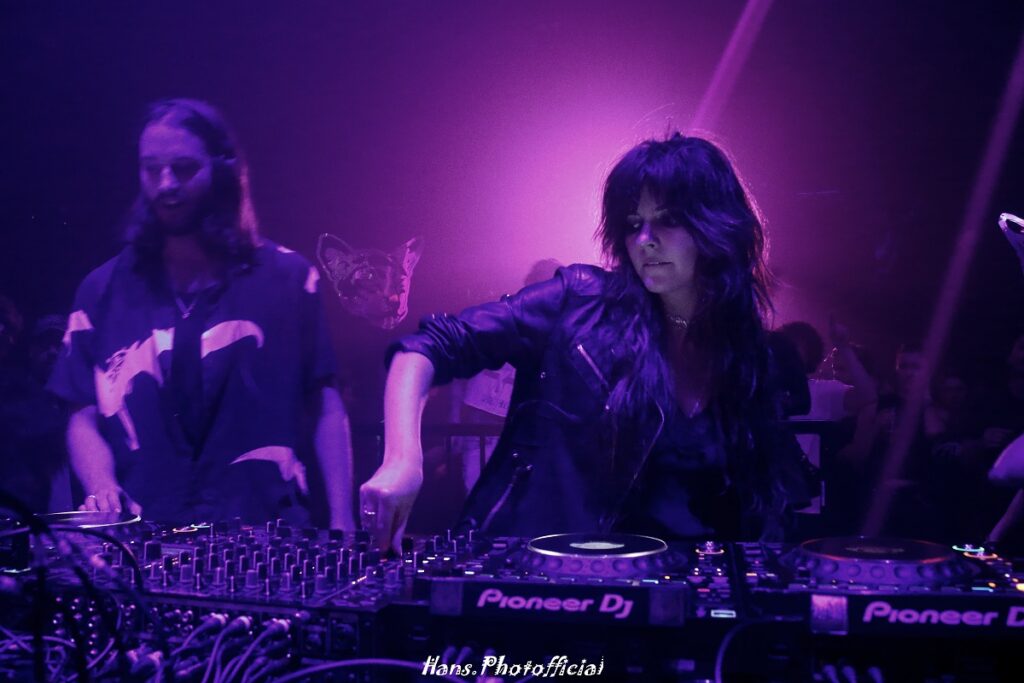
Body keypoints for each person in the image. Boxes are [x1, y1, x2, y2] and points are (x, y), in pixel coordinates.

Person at [360, 134, 811, 552]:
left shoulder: (748, 357)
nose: (645, 241)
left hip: (679, 594)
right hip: (554, 578)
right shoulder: (579, 302)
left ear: (716, 227)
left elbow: (760, 503)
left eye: (668, 220)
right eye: (633, 224)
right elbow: (429, 346)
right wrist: (402, 460)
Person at [47, 99, 354, 528]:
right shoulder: (101, 290)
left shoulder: (289, 279)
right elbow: (81, 413)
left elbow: (325, 405)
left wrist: (343, 523)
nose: (166, 184)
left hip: (266, 532)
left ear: (222, 170)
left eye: (184, 169)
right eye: (151, 169)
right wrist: (101, 485)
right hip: (141, 533)